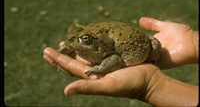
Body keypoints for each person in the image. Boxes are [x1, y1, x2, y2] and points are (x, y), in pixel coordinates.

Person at [43, 17, 199, 106]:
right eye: (74, 34)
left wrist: (99, 68)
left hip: (140, 45)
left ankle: (152, 58)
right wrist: (193, 41)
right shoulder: (91, 41)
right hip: (112, 37)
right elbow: (70, 42)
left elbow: (116, 59)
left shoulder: (104, 48)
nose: (72, 40)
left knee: (153, 45)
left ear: (96, 43)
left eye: (84, 39)